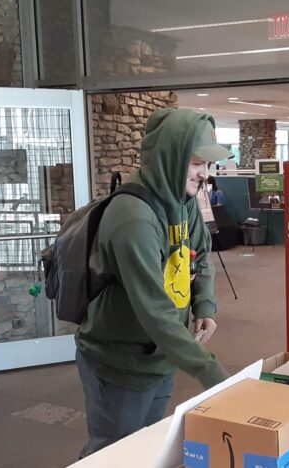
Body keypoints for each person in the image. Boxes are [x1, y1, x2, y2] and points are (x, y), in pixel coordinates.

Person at [75, 108, 233, 457]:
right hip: (119, 364)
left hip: (162, 355)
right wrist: (213, 373)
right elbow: (154, 310)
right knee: (112, 455)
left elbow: (201, 254)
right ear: (171, 158)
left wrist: (204, 304)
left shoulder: (183, 200)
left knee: (147, 451)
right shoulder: (133, 218)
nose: (205, 174)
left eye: (207, 165)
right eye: (197, 164)